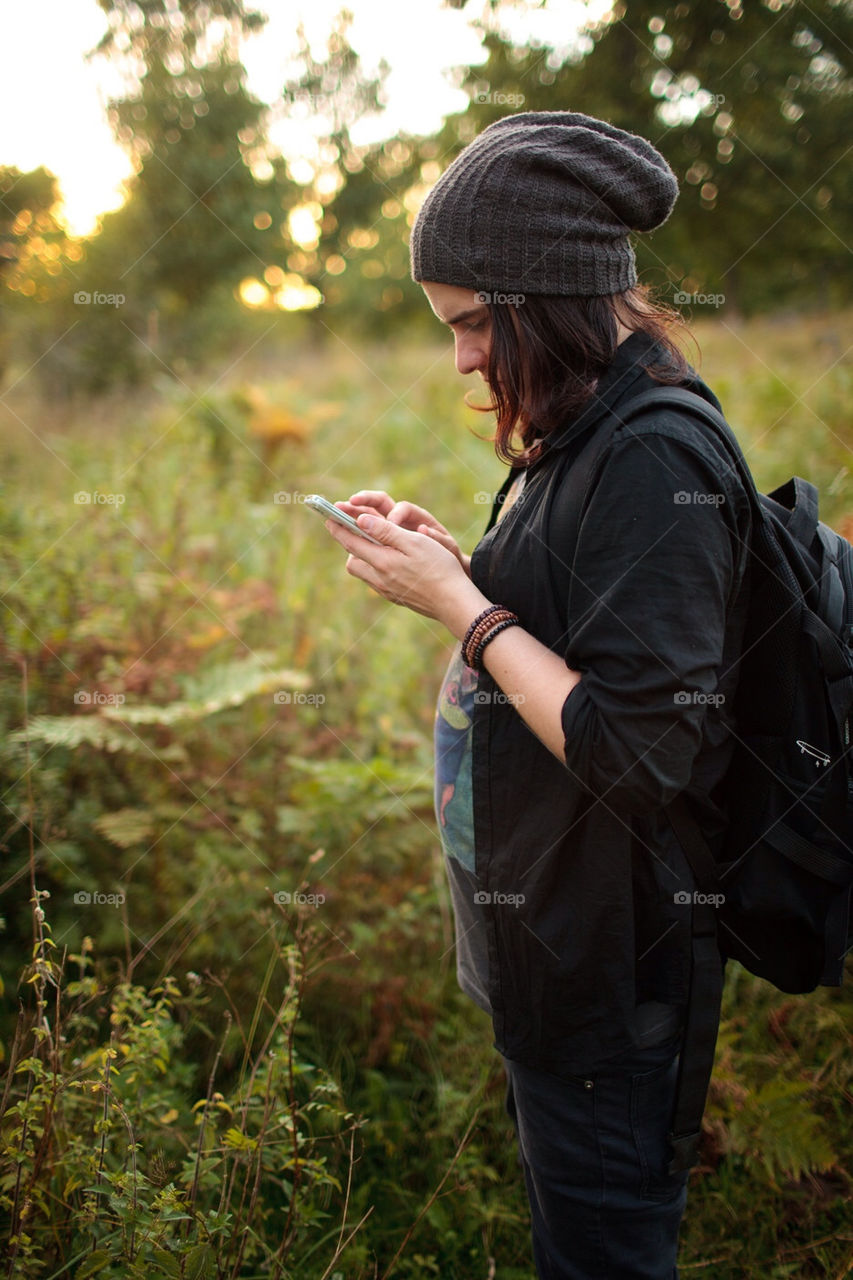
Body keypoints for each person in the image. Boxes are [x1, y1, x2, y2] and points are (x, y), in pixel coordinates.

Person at [321, 111, 753, 1279]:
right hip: (551, 953)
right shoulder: (585, 427)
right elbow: (578, 632)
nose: (461, 357)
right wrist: (460, 567)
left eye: (470, 323)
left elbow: (644, 748)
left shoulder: (654, 453)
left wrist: (463, 611)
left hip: (610, 978)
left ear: (545, 298)